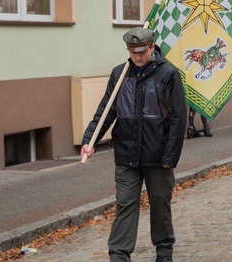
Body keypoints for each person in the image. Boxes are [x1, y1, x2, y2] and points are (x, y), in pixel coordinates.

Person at [80, 27, 187, 262]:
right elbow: (106, 111)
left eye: (142, 51)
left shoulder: (168, 74)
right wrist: (89, 140)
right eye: (132, 51)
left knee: (160, 204)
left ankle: (164, 251)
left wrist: (170, 156)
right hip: (126, 154)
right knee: (126, 204)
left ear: (152, 47)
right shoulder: (119, 74)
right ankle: (119, 255)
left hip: (158, 156)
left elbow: (179, 118)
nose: (137, 57)